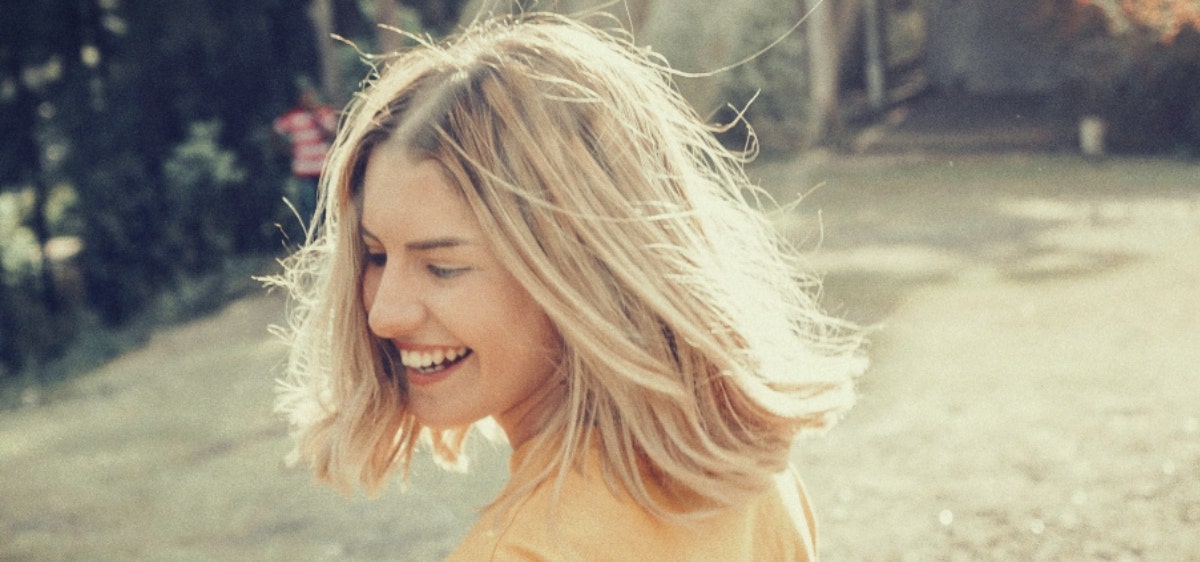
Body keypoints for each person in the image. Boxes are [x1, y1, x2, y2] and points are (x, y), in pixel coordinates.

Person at [270, 12, 866, 561]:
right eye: (374, 256)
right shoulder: (746, 476)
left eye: (442, 266)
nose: (384, 315)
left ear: (579, 269)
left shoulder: (525, 550)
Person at [273, 84, 338, 224]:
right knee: (309, 210)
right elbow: (275, 131)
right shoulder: (293, 116)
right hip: (304, 171)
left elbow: (331, 132)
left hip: (323, 170)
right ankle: (312, 240)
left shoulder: (325, 113)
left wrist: (315, 116)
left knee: (328, 208)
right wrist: (287, 150)